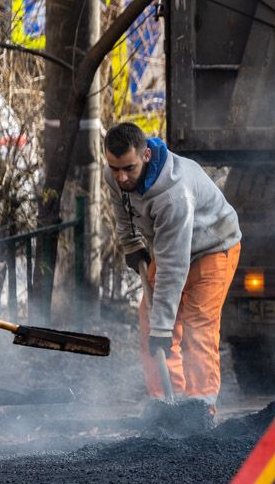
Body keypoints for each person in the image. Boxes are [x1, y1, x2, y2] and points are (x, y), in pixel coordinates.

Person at [103, 122, 241, 413]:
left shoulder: (173, 194)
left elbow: (173, 266)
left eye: (128, 168)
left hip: (213, 247)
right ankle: (166, 406)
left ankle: (200, 410)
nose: (121, 177)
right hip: (169, 249)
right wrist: (131, 244)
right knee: (149, 325)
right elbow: (122, 210)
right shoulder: (115, 175)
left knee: (196, 328)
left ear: (146, 156)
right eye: (115, 169)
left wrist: (163, 328)